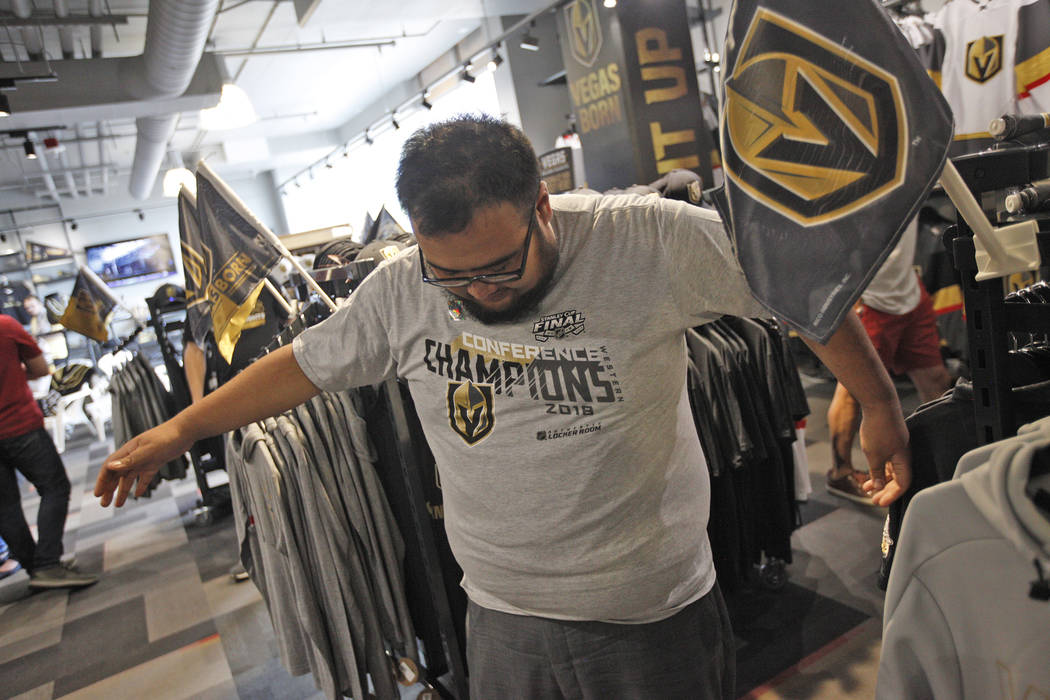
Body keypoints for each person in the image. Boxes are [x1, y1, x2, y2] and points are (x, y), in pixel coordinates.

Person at [95, 115, 910, 698]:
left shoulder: (650, 240)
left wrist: (877, 402)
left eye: (498, 267)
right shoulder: (403, 289)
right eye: (450, 273)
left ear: (542, 207)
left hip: (649, 613)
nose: (477, 290)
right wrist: (178, 429)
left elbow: (797, 288)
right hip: (499, 615)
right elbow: (304, 366)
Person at [826, 218, 952, 504]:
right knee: (854, 391)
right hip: (867, 297)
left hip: (908, 290)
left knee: (936, 378)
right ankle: (840, 472)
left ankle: (946, 455)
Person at [0, 314, 97, 589]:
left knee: (5, 507)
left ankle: (38, 568)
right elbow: (41, 368)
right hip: (19, 424)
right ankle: (47, 564)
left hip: (16, 427)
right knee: (55, 487)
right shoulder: (6, 326)